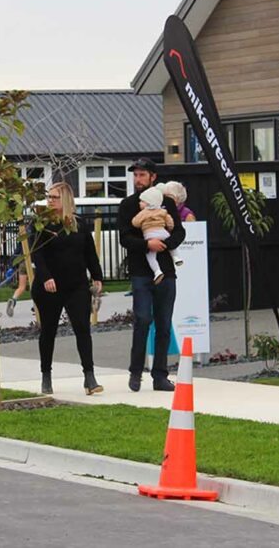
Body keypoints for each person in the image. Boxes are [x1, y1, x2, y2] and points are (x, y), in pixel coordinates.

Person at [30, 182, 104, 396]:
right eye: (49, 197)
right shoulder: (41, 224)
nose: (50, 200)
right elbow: (38, 255)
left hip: (76, 285)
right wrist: (46, 277)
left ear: (65, 199)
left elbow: (89, 253)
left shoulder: (79, 224)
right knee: (49, 331)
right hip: (49, 287)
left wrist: (97, 277)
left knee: (82, 328)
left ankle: (89, 377)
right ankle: (46, 375)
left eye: (54, 197)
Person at [119, 158, 185, 393]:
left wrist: (165, 244)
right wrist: (148, 244)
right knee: (143, 319)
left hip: (166, 272)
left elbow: (179, 231)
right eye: (135, 175)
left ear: (153, 177)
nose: (138, 180)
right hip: (141, 272)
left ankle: (160, 375)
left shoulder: (167, 203)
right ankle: (136, 372)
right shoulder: (128, 205)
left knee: (164, 324)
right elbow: (125, 238)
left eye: (142, 175)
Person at [132, 187, 182, 285]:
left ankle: (157, 271)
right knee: (171, 246)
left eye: (142, 201)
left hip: (150, 235)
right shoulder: (162, 211)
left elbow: (135, 223)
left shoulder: (143, 213)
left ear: (148, 202)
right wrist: (169, 228)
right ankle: (176, 257)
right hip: (163, 232)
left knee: (151, 256)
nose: (139, 203)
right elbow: (170, 222)